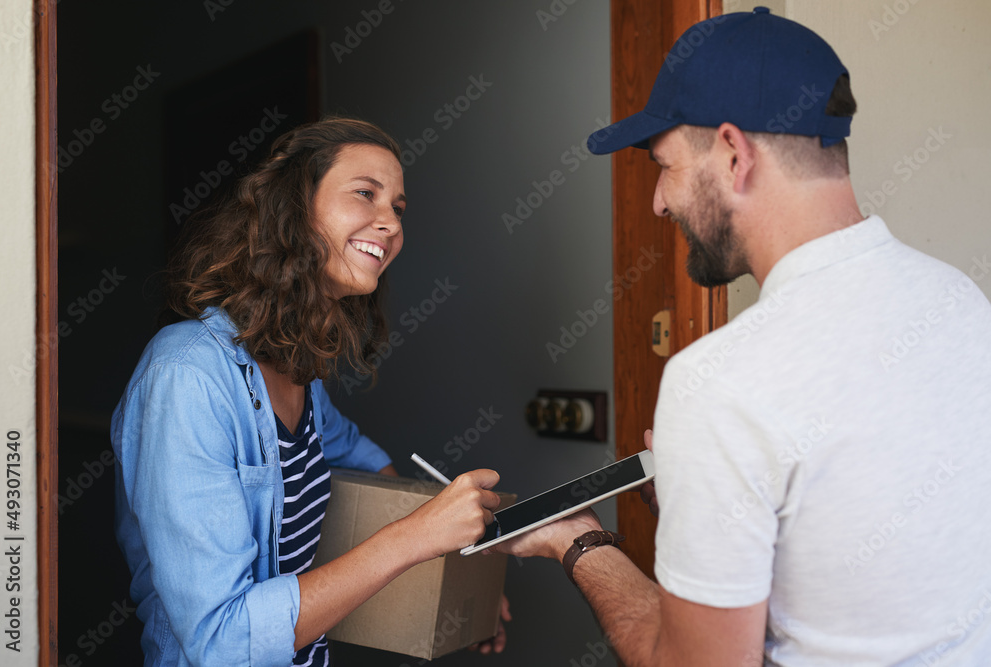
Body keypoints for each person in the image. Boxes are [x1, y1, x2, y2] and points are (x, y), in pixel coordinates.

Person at [494, 7, 991, 666]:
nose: (658, 204)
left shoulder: (717, 382)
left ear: (733, 152)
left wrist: (577, 541)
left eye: (664, 166)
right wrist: (718, 501)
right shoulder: (960, 301)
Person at [111, 117, 505, 666]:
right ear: (293, 209)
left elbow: (360, 457)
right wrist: (413, 538)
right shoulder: (187, 376)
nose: (389, 222)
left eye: (398, 207)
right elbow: (220, 641)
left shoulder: (298, 371)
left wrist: (458, 573)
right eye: (366, 194)